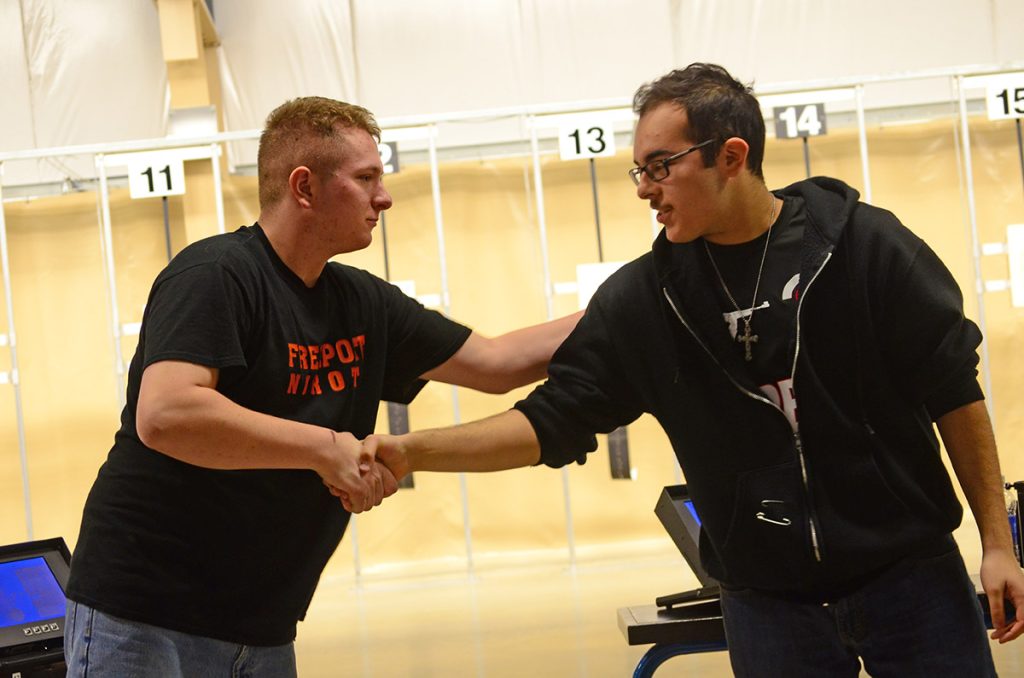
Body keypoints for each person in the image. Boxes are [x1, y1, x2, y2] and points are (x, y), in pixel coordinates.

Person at [366, 63, 1024, 676]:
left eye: (660, 166)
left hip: (912, 581)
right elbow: (550, 421)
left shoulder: (866, 247)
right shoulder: (645, 302)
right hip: (768, 606)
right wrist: (412, 451)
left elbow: (953, 392)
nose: (645, 189)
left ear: (731, 157)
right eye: (638, 171)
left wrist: (996, 542)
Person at [62, 96, 580, 677]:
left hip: (261, 628)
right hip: (144, 620)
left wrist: (633, 306)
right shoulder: (216, 275)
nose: (383, 197)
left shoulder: (362, 301)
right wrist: (324, 449)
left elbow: (499, 362)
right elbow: (166, 414)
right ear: (304, 187)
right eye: (365, 179)